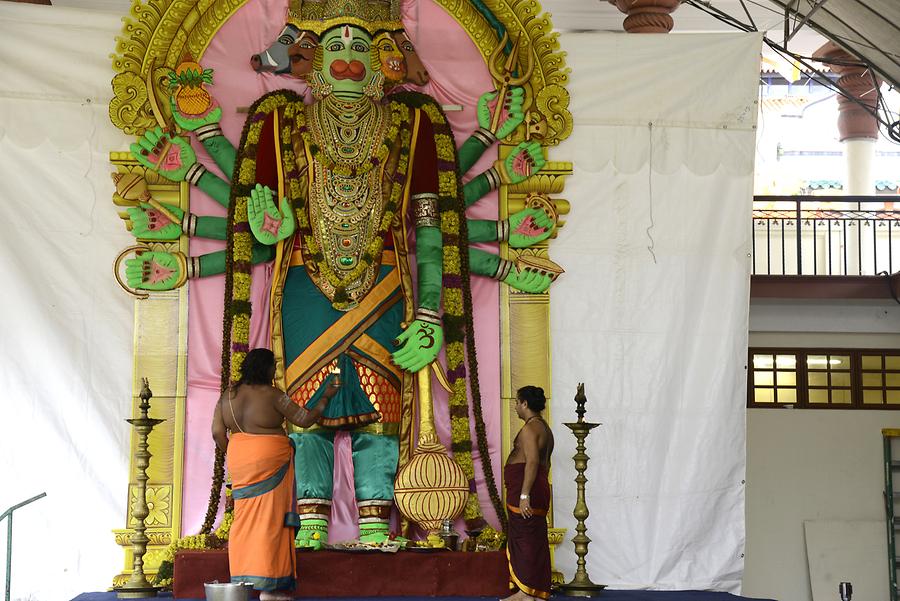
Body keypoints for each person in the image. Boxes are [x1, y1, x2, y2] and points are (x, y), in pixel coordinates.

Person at [211, 348, 339, 601]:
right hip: (270, 462)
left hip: (240, 462)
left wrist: (239, 451)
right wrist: (326, 395)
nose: (276, 371)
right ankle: (269, 588)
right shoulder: (273, 395)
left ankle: (243, 577)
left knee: (244, 521)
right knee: (270, 523)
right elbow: (304, 420)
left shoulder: (227, 397)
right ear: (266, 369)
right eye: (274, 366)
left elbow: (217, 433)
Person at [503, 385, 554, 601]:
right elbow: (546, 464)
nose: (515, 406)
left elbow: (532, 461)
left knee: (525, 539)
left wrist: (525, 494)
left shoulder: (530, 429)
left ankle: (526, 593)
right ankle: (534, 593)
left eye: (517, 402)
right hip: (538, 487)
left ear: (525, 404)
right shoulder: (545, 429)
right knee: (535, 538)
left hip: (527, 490)